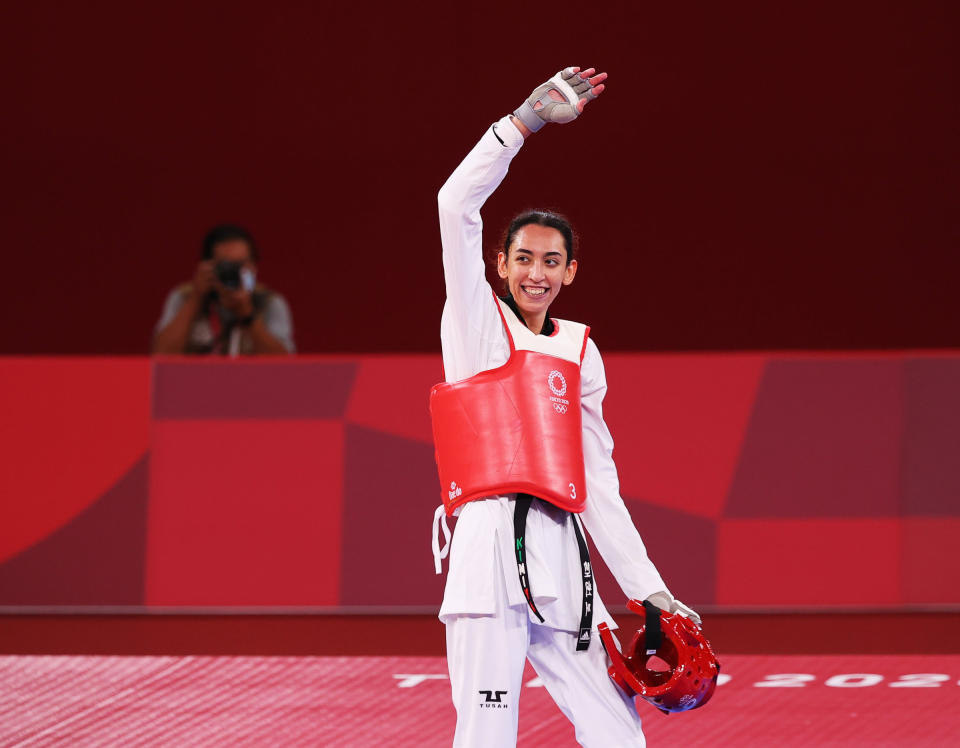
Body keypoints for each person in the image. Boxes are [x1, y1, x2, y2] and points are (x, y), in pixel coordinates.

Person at [431, 67, 701, 747]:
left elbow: (599, 484)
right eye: (523, 258)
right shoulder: (476, 325)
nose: (536, 272)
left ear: (570, 271)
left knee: (619, 734)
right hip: (490, 552)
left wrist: (650, 591)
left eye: (551, 261)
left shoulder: (581, 351)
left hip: (564, 559)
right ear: (500, 263)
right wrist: (524, 120)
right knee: (485, 738)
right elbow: (453, 203)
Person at [152, 224, 295, 355]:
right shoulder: (184, 296)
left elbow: (283, 365)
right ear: (207, 267)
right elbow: (161, 355)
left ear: (254, 267)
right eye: (226, 266)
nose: (235, 274)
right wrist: (196, 299)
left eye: (241, 265)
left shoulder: (269, 302)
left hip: (252, 382)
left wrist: (248, 315)